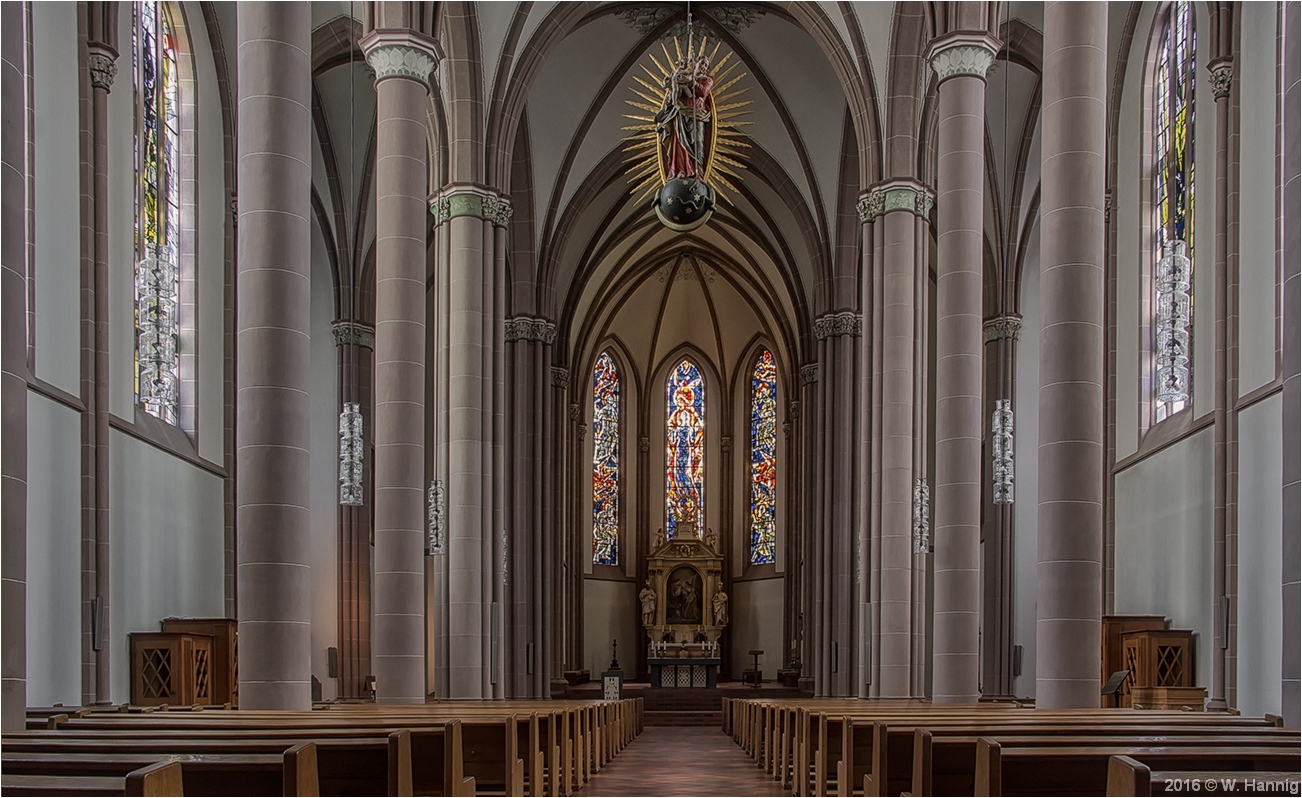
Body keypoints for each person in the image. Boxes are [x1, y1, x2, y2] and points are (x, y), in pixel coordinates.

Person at [655, 54, 714, 180]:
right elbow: (674, 94)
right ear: (695, 64)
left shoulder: (707, 80)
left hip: (697, 115)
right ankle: (679, 170)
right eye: (701, 63)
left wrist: (691, 82)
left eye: (706, 65)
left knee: (697, 143)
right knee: (678, 143)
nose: (703, 67)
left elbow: (703, 92)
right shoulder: (687, 75)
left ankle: (696, 170)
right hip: (681, 112)